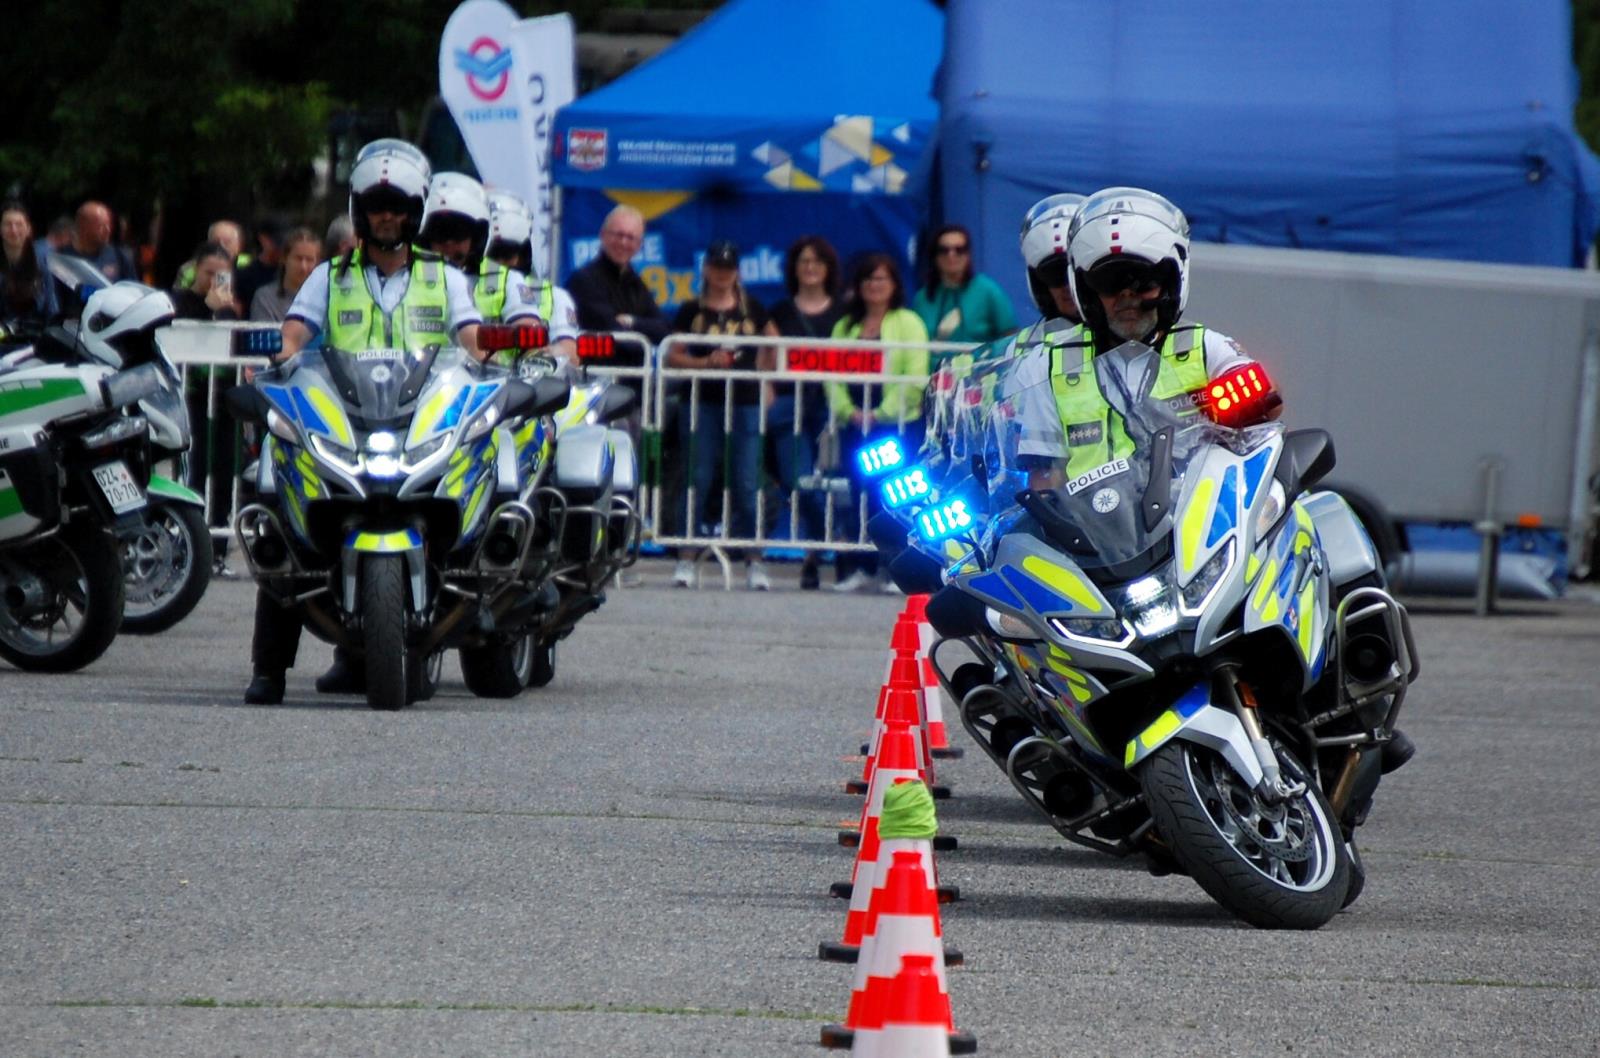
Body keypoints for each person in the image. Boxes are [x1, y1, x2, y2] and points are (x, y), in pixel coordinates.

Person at [244, 138, 484, 705]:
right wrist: (273, 362)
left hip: (420, 419)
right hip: (346, 419)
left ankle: (473, 613)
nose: (387, 215)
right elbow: (295, 335)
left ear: (413, 212)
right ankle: (268, 669)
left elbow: (471, 339)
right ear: (359, 211)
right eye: (377, 205)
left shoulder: (443, 278)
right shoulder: (331, 275)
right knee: (283, 516)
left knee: (479, 479)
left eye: (397, 205)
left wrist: (489, 362)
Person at [665, 239, 777, 591]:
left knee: (747, 480)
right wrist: (705, 363)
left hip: (744, 401)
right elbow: (673, 354)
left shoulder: (753, 308)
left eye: (728, 268)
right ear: (706, 269)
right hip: (701, 400)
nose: (722, 274)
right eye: (716, 267)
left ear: (737, 271)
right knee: (696, 476)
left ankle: (754, 560)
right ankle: (686, 555)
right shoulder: (690, 310)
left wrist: (765, 378)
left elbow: (774, 342)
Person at [827, 254, 930, 592]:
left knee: (895, 495)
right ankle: (862, 566)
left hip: (895, 426)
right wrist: (848, 411)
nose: (874, 285)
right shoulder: (845, 326)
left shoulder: (909, 322)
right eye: (868, 279)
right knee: (860, 494)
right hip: (855, 426)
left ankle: (896, 569)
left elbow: (915, 374)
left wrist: (881, 413)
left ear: (894, 285)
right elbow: (831, 374)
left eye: (881, 278)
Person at [767, 235, 845, 589]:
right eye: (804, 261)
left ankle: (833, 551)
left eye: (817, 261)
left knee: (841, 483)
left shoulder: (844, 314)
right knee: (801, 483)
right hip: (789, 409)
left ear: (828, 268)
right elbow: (766, 361)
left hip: (833, 408)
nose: (810, 267)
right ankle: (814, 551)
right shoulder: (780, 312)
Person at [565, 204, 672, 361]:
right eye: (618, 234)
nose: (623, 242)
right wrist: (641, 337)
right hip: (594, 378)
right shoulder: (583, 280)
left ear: (639, 245)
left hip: (635, 379)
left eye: (630, 237)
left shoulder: (636, 283)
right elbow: (614, 334)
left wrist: (631, 322)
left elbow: (664, 330)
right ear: (603, 235)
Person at [911, 224, 1016, 345]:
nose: (951, 255)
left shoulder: (988, 291)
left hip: (979, 362)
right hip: (934, 363)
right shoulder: (923, 298)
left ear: (968, 255)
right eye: (944, 250)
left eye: (959, 249)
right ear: (935, 256)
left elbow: (1010, 335)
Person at [1, 202, 59, 332]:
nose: (14, 230)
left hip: (34, 344)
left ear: (28, 229)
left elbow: (52, 311)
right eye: (8, 224)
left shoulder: (42, 268)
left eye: (19, 224)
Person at [248, 227, 321, 322]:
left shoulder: (326, 298)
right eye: (298, 258)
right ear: (284, 258)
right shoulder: (265, 298)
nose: (303, 266)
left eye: (309, 260)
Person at [57, 201, 137, 283]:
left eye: (108, 225)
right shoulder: (61, 260)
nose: (107, 230)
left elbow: (132, 291)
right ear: (84, 227)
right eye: (101, 226)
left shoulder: (120, 257)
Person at [235, 216, 289, 313]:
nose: (282, 249)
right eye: (278, 243)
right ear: (262, 239)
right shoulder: (245, 276)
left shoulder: (293, 272)